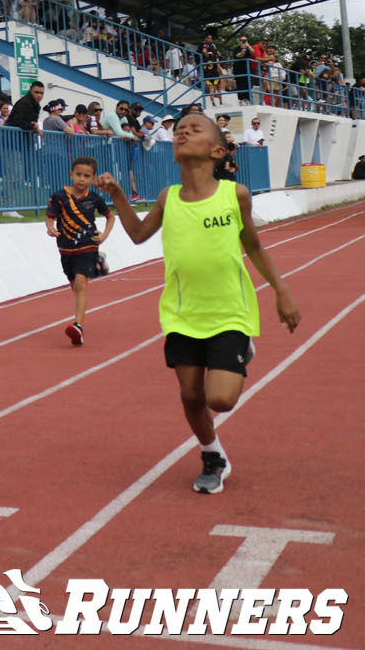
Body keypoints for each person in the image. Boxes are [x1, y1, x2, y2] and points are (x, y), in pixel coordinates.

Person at [95, 114, 300, 494]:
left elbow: (252, 245)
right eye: (179, 130)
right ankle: (213, 455)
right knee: (190, 396)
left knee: (219, 398)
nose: (183, 132)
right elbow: (139, 235)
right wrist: (119, 196)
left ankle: (241, 348)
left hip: (228, 312)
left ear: (217, 151)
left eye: (196, 129)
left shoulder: (233, 194)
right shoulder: (168, 198)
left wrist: (280, 291)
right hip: (181, 312)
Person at [45, 156, 115, 347]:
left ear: (93, 178)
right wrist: (50, 227)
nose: (82, 179)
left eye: (87, 176)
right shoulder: (59, 197)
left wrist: (104, 236)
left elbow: (110, 217)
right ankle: (98, 263)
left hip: (88, 244)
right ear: (71, 175)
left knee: (81, 284)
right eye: (78, 175)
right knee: (75, 287)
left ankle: (78, 326)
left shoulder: (94, 199)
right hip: (66, 247)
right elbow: (50, 217)